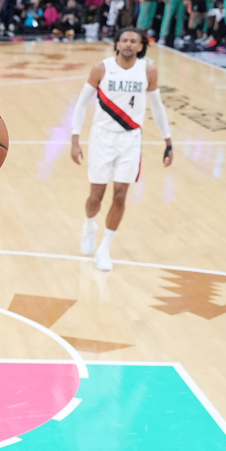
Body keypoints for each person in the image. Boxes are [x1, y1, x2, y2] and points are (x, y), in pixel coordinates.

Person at [70, 27, 173, 271]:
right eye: (124, 40)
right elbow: (81, 104)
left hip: (130, 139)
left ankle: (104, 249)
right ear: (117, 43)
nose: (128, 44)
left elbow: (157, 107)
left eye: (133, 41)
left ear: (140, 46)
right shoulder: (101, 68)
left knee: (120, 195)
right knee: (95, 196)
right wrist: (75, 138)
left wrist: (167, 140)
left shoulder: (147, 70)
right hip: (101, 138)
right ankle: (89, 224)